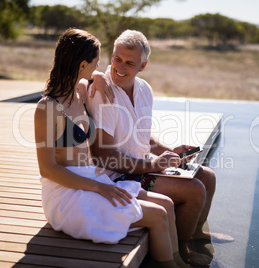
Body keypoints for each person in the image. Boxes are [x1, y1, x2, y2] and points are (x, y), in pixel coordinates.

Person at [34, 28, 189, 268]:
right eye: (96, 64)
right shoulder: (48, 108)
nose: (102, 68)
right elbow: (48, 170)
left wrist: (96, 76)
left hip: (90, 182)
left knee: (166, 205)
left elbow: (88, 78)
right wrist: (99, 187)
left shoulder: (81, 92)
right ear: (82, 63)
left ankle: (179, 262)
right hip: (66, 195)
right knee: (157, 216)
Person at [86, 29, 233, 266]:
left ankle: (197, 233)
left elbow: (143, 136)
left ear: (142, 66)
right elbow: (103, 155)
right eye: (117, 59)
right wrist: (153, 164)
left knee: (208, 177)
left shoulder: (144, 89)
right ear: (111, 56)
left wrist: (170, 152)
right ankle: (182, 249)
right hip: (119, 177)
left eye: (129, 63)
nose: (120, 68)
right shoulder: (101, 91)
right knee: (194, 190)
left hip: (142, 167)